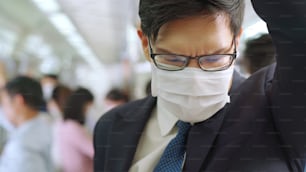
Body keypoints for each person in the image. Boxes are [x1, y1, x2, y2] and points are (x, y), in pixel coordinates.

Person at [94, 1, 306, 172]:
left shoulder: (275, 112)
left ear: (236, 41)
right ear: (145, 45)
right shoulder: (112, 127)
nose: (195, 77)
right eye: (174, 59)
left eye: (214, 58)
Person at [0, 76, 53, 172]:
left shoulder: (21, 147)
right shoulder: (45, 125)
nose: (3, 110)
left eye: (4, 104)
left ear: (18, 101)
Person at [54, 88, 94, 172]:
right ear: (81, 106)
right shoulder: (72, 128)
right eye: (87, 107)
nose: (87, 112)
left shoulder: (62, 124)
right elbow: (94, 152)